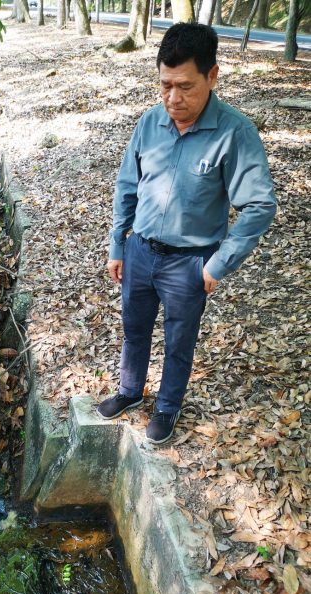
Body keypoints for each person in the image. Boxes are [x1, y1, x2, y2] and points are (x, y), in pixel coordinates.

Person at [96, 22, 277, 444]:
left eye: (185, 86)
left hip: (190, 262)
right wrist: (117, 245)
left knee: (179, 339)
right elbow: (127, 186)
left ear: (212, 76)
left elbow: (259, 205)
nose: (173, 99)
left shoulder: (235, 132)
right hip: (139, 250)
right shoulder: (149, 123)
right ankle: (129, 390)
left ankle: (167, 406)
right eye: (164, 85)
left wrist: (218, 264)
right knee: (134, 327)